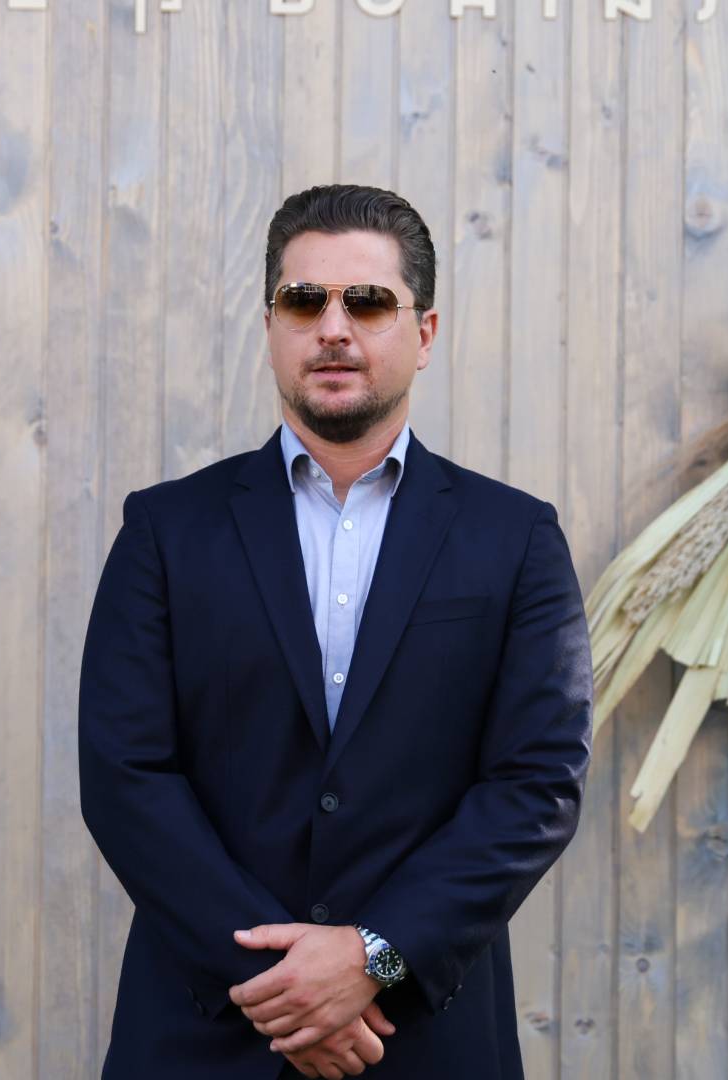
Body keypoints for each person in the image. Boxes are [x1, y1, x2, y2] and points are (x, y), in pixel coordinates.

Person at [78, 184, 593, 1079]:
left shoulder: (515, 539)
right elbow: (125, 777)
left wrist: (375, 959)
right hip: (207, 1036)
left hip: (420, 1038)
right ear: (270, 326)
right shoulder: (165, 532)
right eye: (304, 300)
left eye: (368, 302)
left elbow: (537, 783)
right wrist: (279, 984)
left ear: (423, 333)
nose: (333, 328)